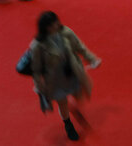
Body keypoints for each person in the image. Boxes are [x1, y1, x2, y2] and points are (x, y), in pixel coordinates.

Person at [29, 11, 102, 141]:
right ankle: (68, 124)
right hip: (55, 79)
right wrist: (39, 86)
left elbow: (80, 47)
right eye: (53, 23)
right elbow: (36, 69)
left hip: (72, 71)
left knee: (80, 95)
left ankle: (73, 108)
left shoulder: (66, 32)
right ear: (46, 27)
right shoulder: (37, 46)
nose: (58, 24)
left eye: (57, 21)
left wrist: (92, 59)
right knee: (62, 103)